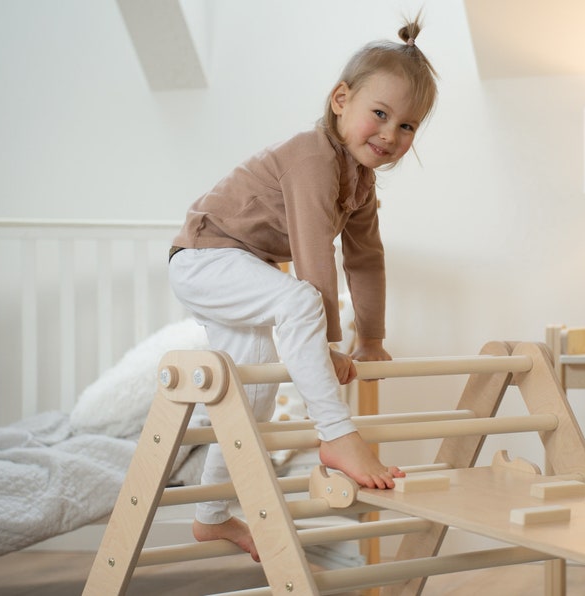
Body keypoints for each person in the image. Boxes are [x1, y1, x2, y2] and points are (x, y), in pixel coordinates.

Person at [168, 15, 438, 562]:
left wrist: (371, 338)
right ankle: (336, 433)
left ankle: (211, 518)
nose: (391, 134)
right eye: (380, 114)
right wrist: (330, 343)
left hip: (243, 265)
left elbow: (365, 259)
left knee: (251, 392)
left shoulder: (360, 183)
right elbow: (316, 253)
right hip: (204, 256)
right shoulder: (313, 158)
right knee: (298, 297)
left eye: (408, 126)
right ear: (341, 100)